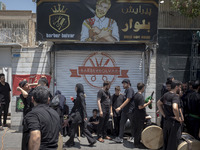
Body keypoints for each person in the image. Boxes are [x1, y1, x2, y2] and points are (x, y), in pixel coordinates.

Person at [157, 80, 183, 150]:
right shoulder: (175, 97)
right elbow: (175, 108)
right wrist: (177, 118)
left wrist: (164, 115)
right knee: (173, 143)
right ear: (176, 87)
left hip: (167, 121)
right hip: (174, 123)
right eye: (180, 87)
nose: (180, 89)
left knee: (166, 141)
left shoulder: (166, 95)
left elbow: (158, 103)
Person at [114, 79, 135, 143]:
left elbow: (128, 99)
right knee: (122, 123)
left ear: (128, 84)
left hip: (130, 111)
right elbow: (126, 97)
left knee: (132, 124)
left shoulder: (130, 89)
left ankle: (134, 137)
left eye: (124, 84)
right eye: (123, 84)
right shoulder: (126, 90)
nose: (123, 85)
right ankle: (120, 137)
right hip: (125, 111)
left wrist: (120, 107)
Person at [133, 83, 152, 147]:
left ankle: (136, 142)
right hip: (139, 116)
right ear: (142, 88)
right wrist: (148, 103)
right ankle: (137, 143)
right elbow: (140, 107)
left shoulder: (136, 94)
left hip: (136, 115)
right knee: (139, 129)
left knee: (137, 129)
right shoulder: (140, 96)